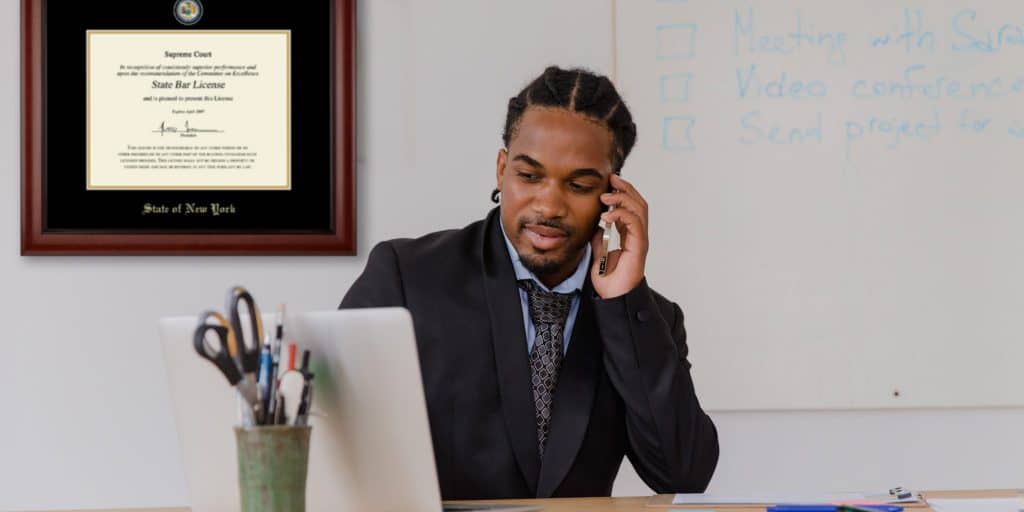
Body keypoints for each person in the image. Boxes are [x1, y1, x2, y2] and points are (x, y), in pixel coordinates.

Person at [340, 66, 718, 499]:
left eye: (579, 185)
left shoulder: (646, 317)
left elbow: (683, 472)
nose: (549, 205)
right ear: (502, 169)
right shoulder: (407, 278)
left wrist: (624, 302)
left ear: (613, 195)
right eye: (530, 175)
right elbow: (329, 438)